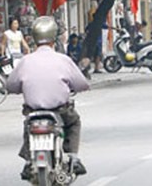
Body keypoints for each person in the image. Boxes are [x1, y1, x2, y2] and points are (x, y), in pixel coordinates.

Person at [6, 16, 90, 180]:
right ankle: (73, 157)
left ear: (34, 39)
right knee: (74, 122)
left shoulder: (25, 61)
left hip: (33, 113)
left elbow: (10, 86)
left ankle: (28, 160)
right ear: (54, 39)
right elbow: (82, 84)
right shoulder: (63, 60)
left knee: (28, 128)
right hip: (60, 111)